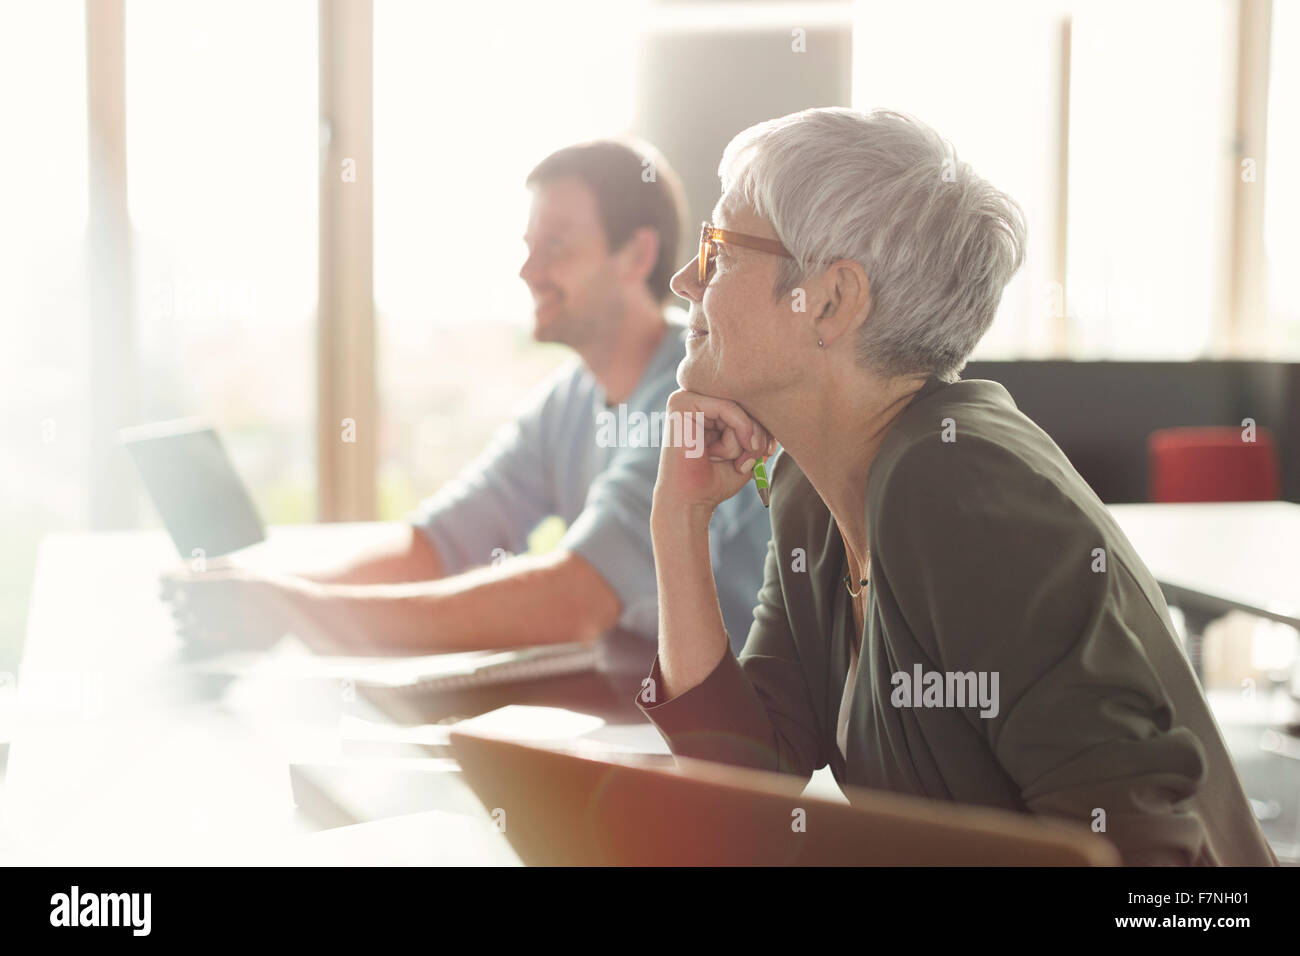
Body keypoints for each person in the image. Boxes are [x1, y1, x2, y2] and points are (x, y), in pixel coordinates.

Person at [639, 106, 1278, 866]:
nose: (685, 280)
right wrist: (678, 523)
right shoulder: (816, 497)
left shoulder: (954, 482)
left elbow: (1145, 862)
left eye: (717, 249)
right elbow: (743, 781)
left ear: (832, 301)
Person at [162, 139, 770, 655]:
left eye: (555, 246)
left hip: (729, 761)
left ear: (635, 255)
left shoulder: (694, 401)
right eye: (528, 246)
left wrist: (298, 613)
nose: (528, 271)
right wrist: (267, 586)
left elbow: (576, 599)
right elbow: (440, 544)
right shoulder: (564, 404)